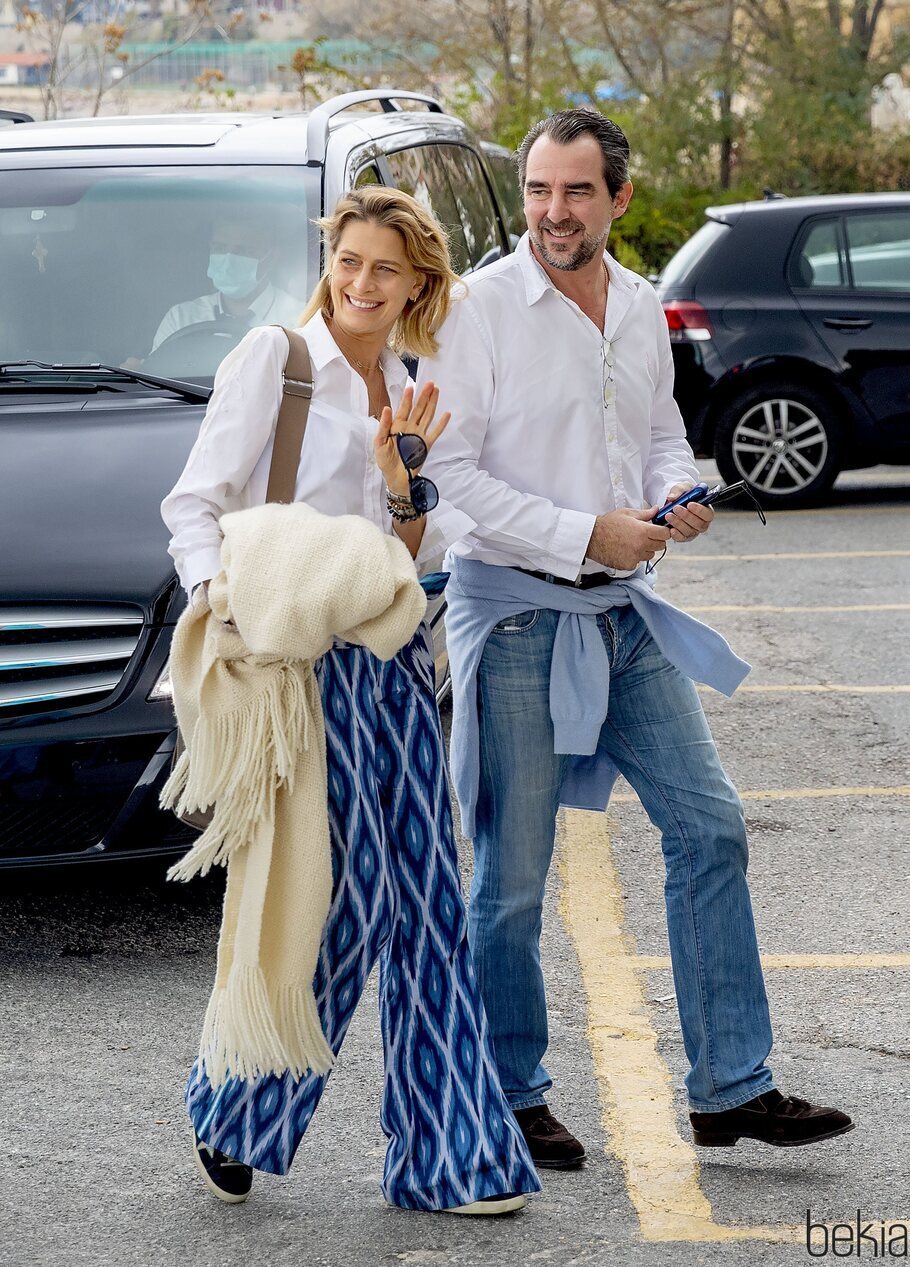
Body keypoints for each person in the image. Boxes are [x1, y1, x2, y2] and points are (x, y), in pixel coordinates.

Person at [418, 109, 854, 1167]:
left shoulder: (640, 303)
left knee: (708, 827)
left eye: (574, 192)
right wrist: (583, 530)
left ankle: (728, 1087)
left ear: (616, 196)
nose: (551, 212)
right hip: (514, 609)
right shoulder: (477, 309)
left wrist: (672, 494)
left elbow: (659, 434)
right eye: (535, 190)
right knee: (510, 876)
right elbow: (452, 473)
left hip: (625, 610)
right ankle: (508, 1091)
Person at [161, 186, 539, 1214]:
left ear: (419, 281)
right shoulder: (275, 364)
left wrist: (403, 481)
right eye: (347, 260)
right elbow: (193, 505)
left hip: (394, 663)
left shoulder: (413, 383)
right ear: (329, 262)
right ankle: (236, 1106)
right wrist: (222, 606)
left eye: (385, 268)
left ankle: (452, 1157)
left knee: (427, 905)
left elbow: (408, 552)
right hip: (299, 669)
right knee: (348, 896)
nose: (361, 284)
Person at [151, 208, 304, 353]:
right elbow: (156, 373)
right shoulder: (181, 318)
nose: (229, 260)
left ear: (271, 258)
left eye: (243, 251)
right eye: (220, 248)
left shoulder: (299, 321)